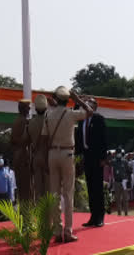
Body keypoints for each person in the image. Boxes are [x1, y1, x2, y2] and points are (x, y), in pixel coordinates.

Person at [45, 86, 93, 243]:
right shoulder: (71, 114)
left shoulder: (49, 114)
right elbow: (90, 112)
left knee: (54, 194)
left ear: (56, 99)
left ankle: (58, 231)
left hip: (52, 153)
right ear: (67, 100)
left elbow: (45, 138)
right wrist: (78, 99)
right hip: (67, 154)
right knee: (68, 194)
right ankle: (68, 231)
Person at [76, 98, 107, 227]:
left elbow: (104, 138)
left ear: (95, 107)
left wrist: (103, 158)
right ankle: (93, 217)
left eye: (90, 103)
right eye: (86, 103)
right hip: (87, 156)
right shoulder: (82, 120)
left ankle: (100, 217)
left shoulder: (99, 119)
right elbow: (79, 138)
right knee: (90, 187)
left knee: (97, 187)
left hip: (97, 157)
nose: (87, 105)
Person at [28, 95, 50, 200]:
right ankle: (48, 215)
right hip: (48, 157)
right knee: (48, 189)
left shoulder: (31, 122)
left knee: (38, 188)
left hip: (36, 156)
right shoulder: (49, 121)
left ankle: (39, 214)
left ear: (35, 109)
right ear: (46, 108)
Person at [11, 99, 32, 202]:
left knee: (22, 188)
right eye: (28, 107)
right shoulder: (23, 121)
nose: (29, 109)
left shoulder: (18, 120)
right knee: (25, 188)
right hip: (22, 156)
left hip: (18, 155)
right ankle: (26, 214)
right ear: (24, 109)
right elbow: (18, 139)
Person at [111, 149, 130, 216]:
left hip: (124, 182)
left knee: (125, 198)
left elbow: (128, 171)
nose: (118, 154)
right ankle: (119, 213)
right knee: (117, 198)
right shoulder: (113, 161)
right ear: (116, 154)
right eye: (117, 153)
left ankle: (126, 213)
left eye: (119, 153)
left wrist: (128, 181)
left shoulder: (125, 161)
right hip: (117, 182)